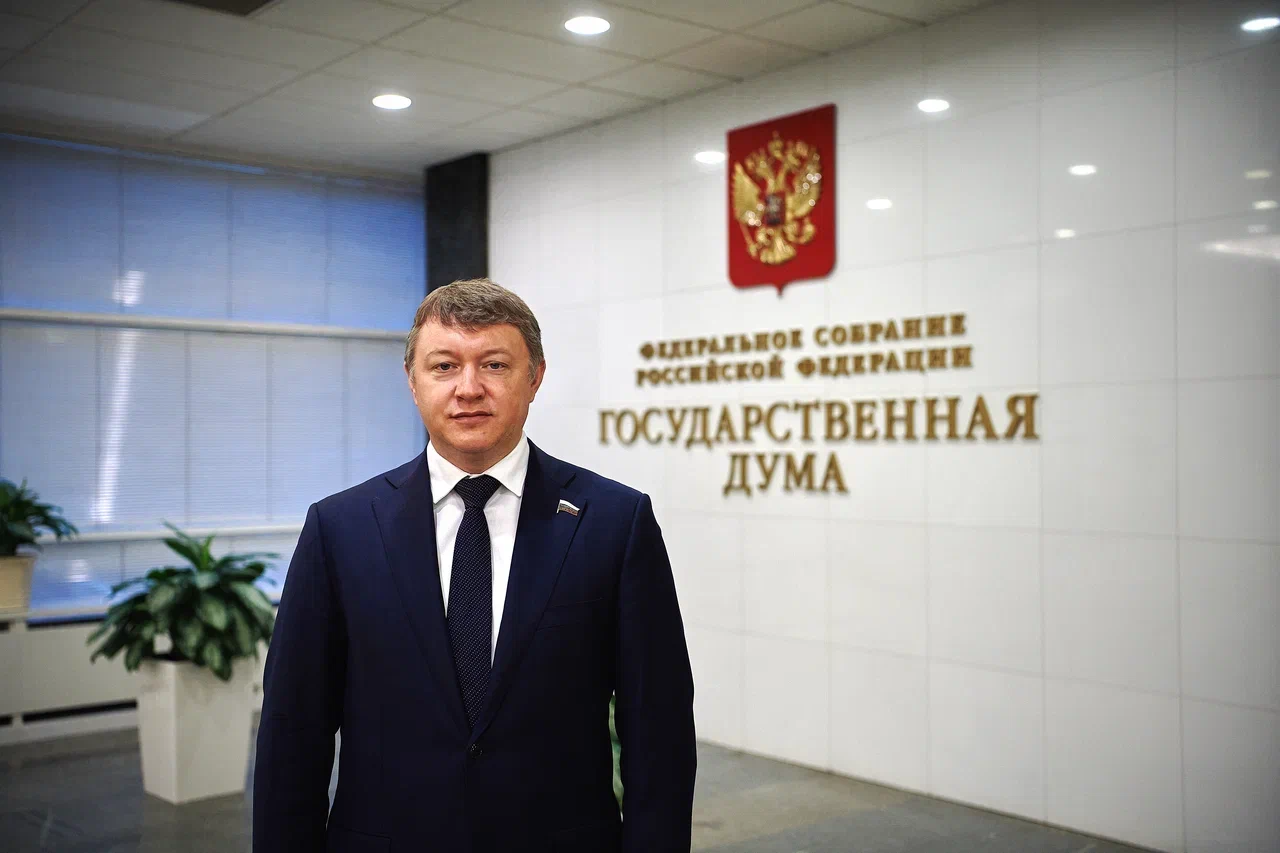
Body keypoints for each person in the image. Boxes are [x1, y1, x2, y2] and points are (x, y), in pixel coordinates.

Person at [253, 278, 696, 853]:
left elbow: (658, 732)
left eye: (494, 365)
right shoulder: (340, 528)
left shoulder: (615, 522)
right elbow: (294, 732)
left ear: (534, 377)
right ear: (412, 381)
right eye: (444, 366)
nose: (468, 389)